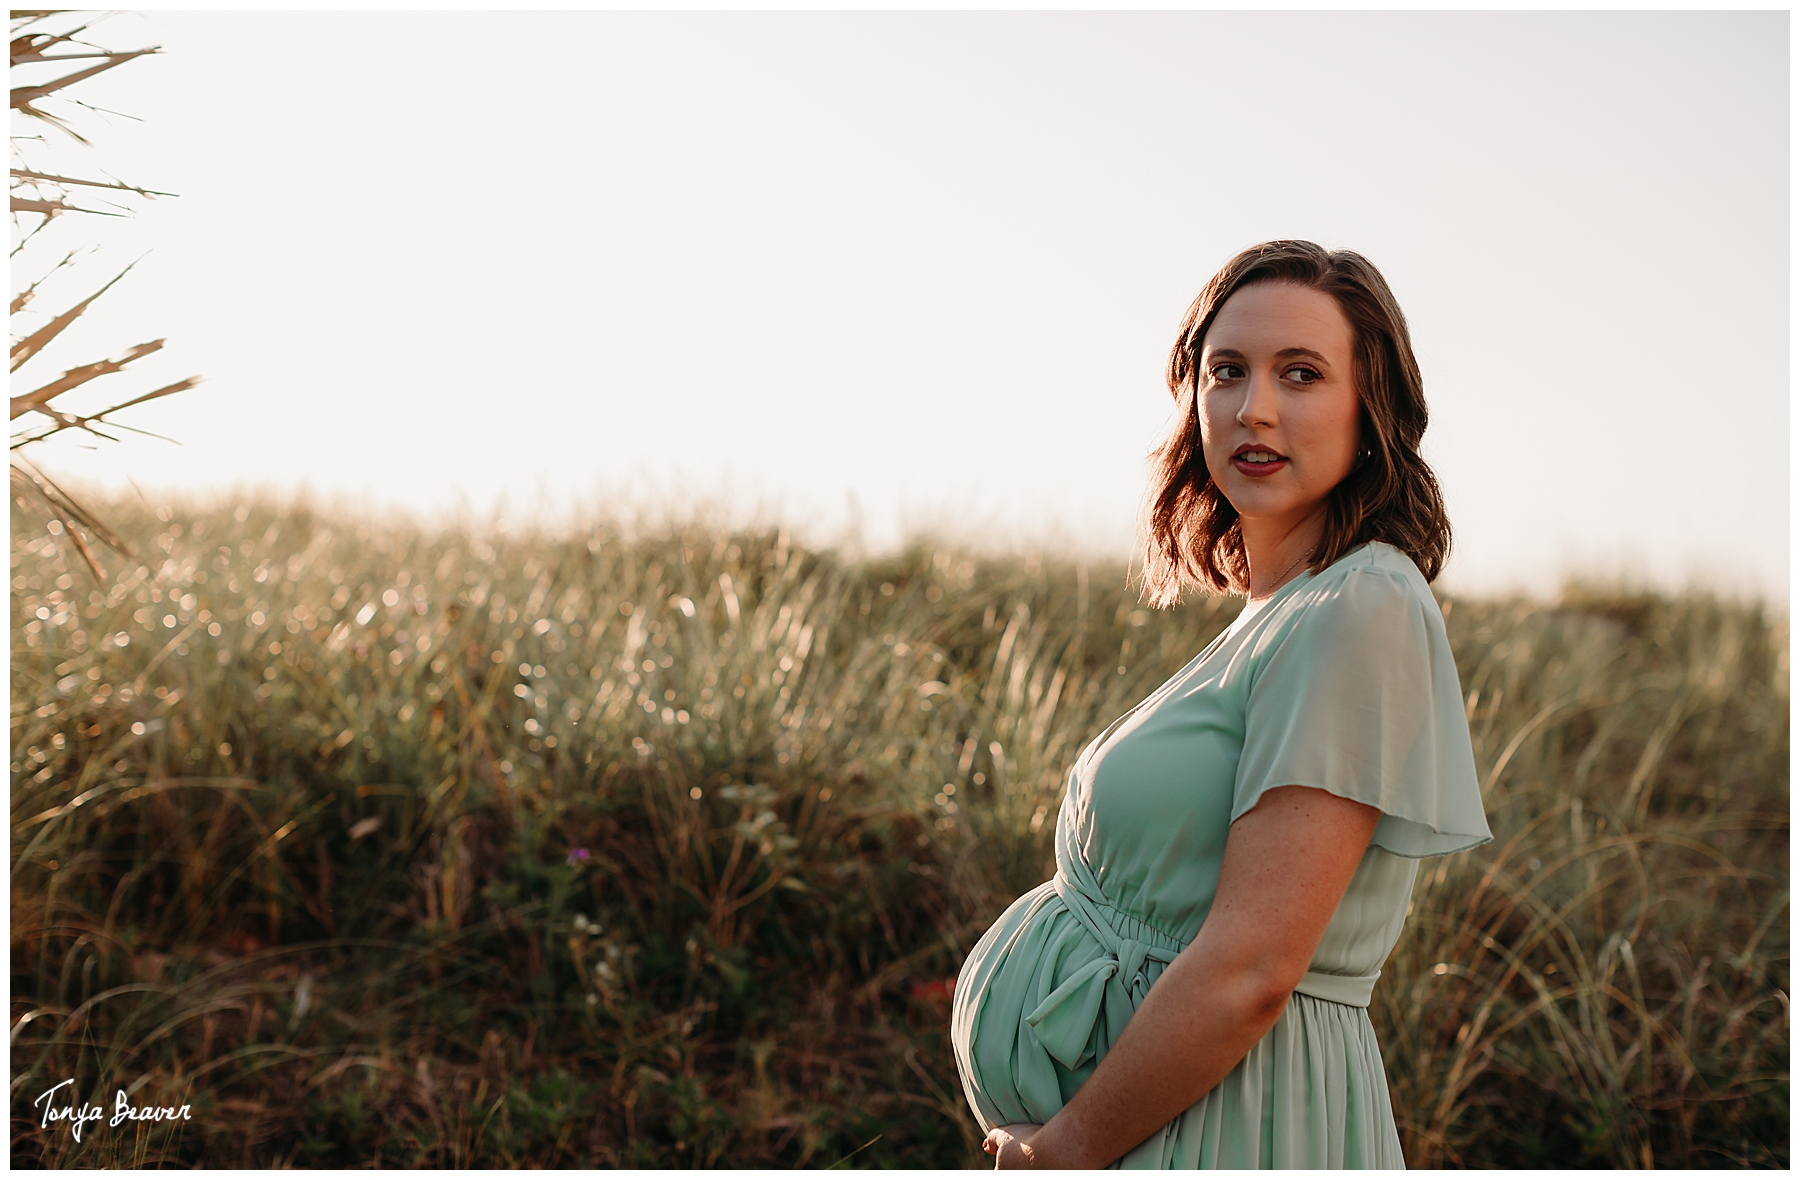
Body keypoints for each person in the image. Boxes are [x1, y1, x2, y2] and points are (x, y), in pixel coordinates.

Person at [949, 240, 1493, 1169]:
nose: (1255, 408)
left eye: (1303, 374)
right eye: (1226, 370)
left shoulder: (1361, 605)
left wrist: (1072, 1147)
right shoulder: (1283, 613)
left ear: (1372, 410)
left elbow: (1252, 970)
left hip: (1233, 1127)